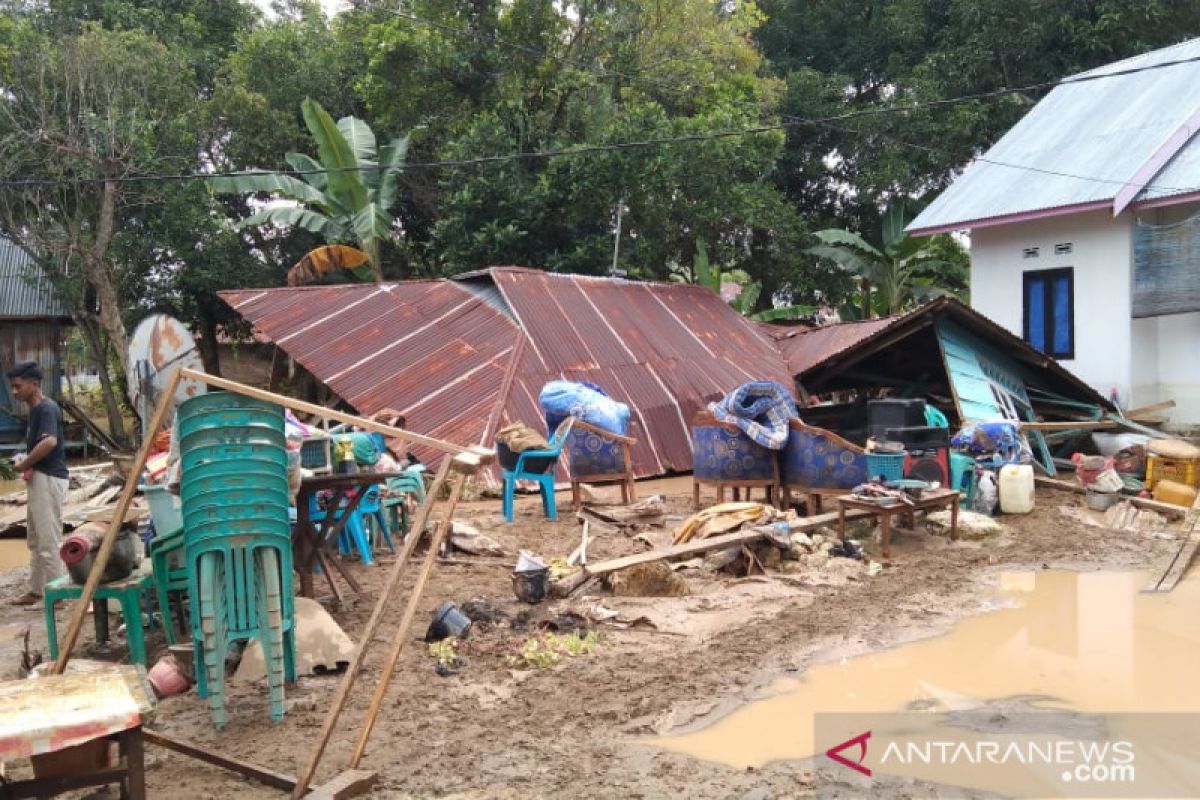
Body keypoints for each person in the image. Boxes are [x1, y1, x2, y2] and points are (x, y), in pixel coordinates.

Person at [5, 361, 69, 606]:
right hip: (39, 479)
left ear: (34, 384)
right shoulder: (35, 411)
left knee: (48, 539)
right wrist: (24, 458)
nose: (14, 392)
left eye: (17, 386)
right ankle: (36, 589)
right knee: (35, 539)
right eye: (12, 387)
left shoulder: (46, 409)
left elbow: (50, 442)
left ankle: (58, 594)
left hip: (49, 479)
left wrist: (25, 462)